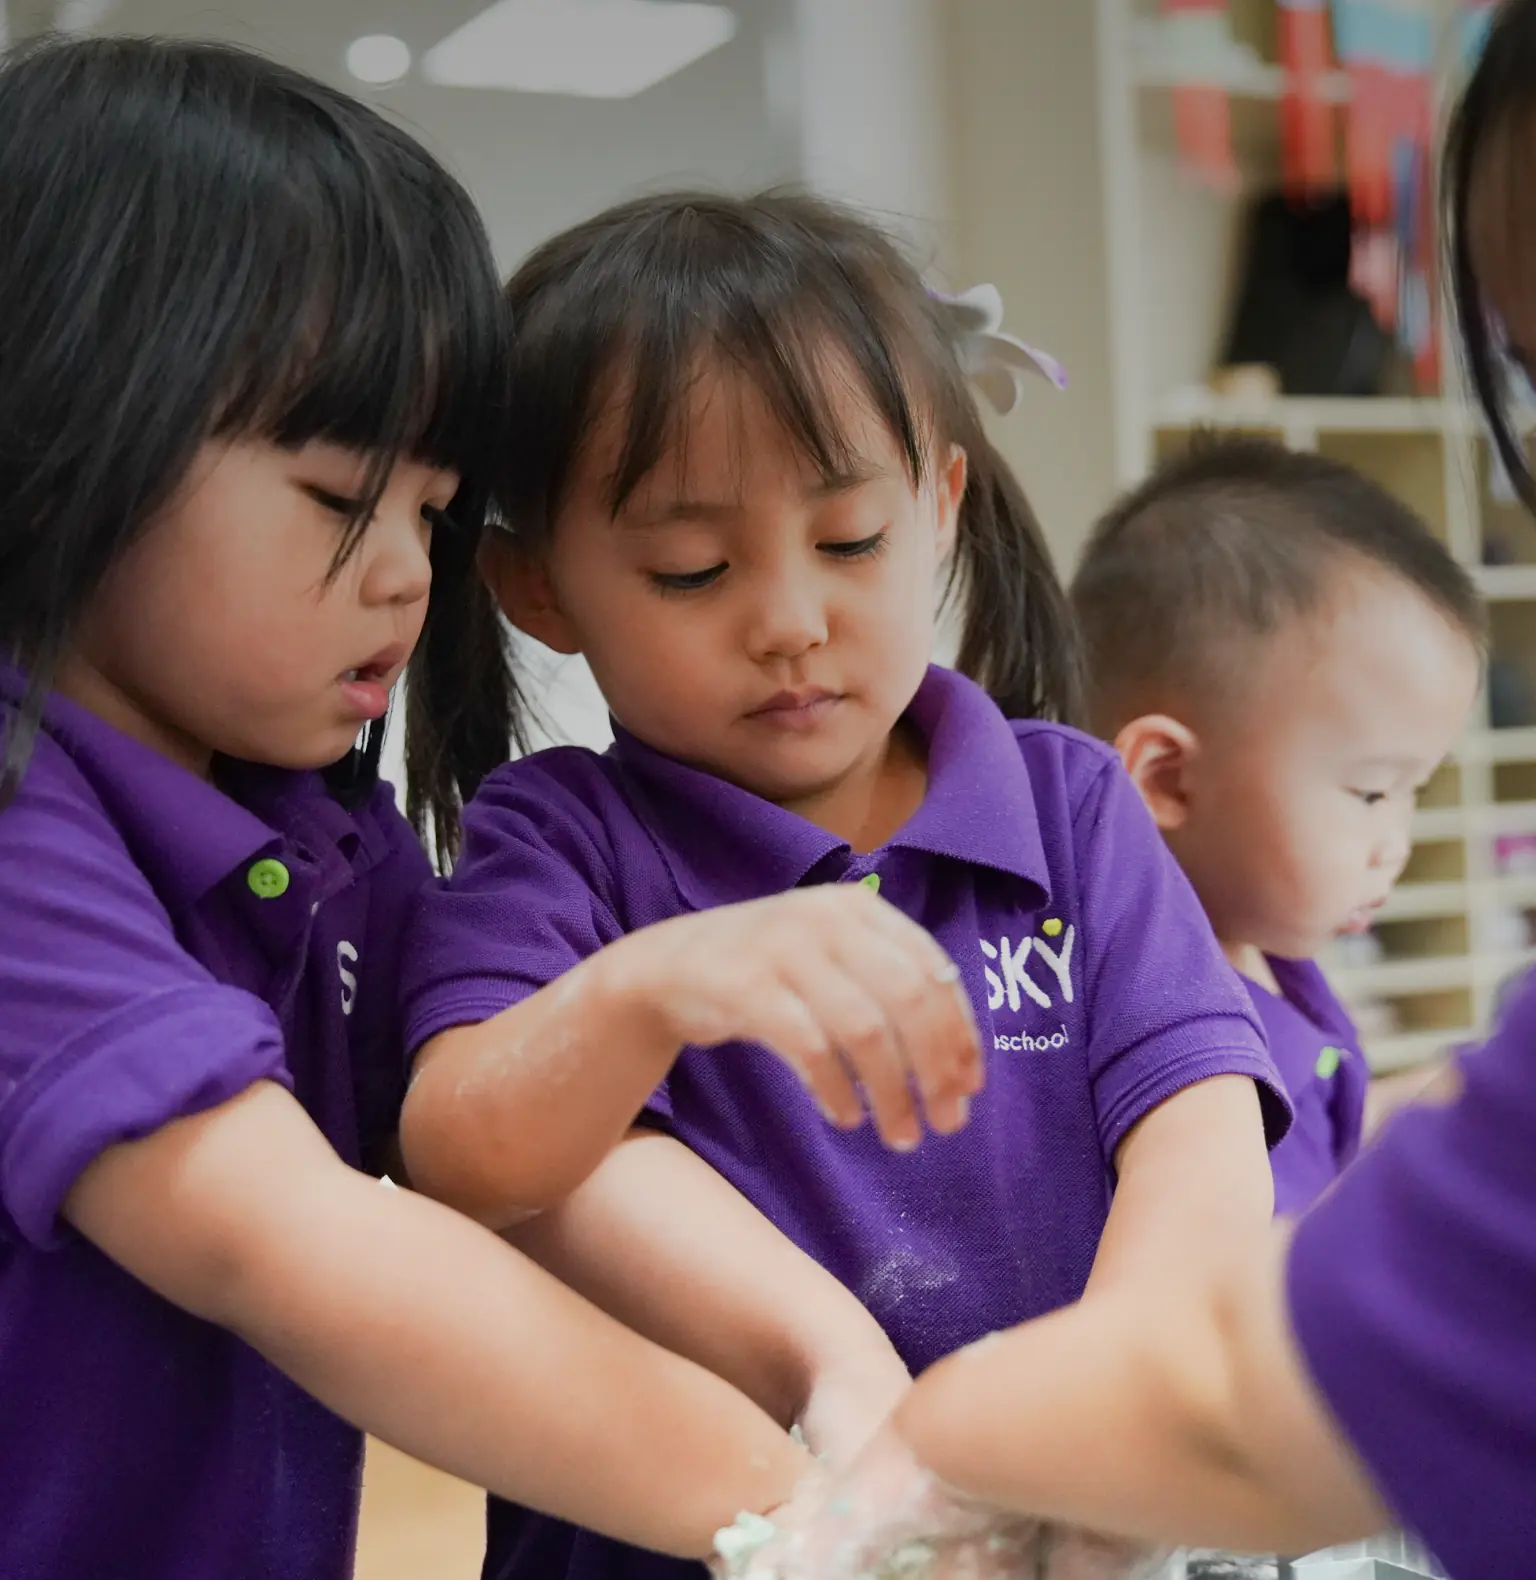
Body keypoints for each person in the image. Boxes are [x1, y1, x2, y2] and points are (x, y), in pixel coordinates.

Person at [0, 37, 836, 1580]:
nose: (407, 572)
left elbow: (509, 1150)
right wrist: (821, 1517)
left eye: (435, 513)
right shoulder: (19, 821)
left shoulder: (326, 844)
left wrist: (835, 1371)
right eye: (340, 497)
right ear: (58, 447)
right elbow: (285, 1241)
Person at [717, 3, 1536, 1576]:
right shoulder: (1065, 854)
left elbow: (1277, 1327)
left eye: (849, 543)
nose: (792, 627)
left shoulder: (1173, 908)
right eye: (1372, 790)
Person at [397, 189, 1294, 1580]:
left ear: (938, 503)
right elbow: (463, 1149)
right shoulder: (559, 841)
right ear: (538, 588)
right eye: (692, 570)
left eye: (850, 543)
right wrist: (648, 991)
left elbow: (1199, 1132)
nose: (792, 623)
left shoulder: (1071, 808)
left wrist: (1119, 1401)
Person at [1072, 436, 1482, 1216]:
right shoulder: (1172, 1044)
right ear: (1167, 778)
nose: (1395, 843)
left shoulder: (1266, 951)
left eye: (1412, 790)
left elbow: (1323, 1133)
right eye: (1371, 791)